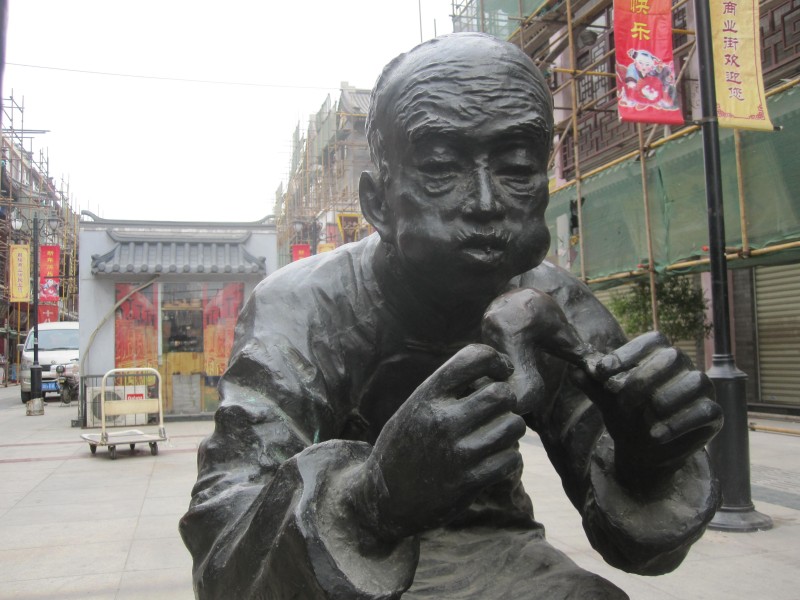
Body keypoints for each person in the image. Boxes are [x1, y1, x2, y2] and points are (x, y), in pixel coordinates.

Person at [180, 32, 722, 599]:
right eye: (441, 166)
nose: (486, 202)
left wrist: (647, 460)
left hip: (497, 556)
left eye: (516, 166)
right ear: (376, 201)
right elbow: (227, 553)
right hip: (341, 571)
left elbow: (638, 545)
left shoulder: (556, 309)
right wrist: (375, 498)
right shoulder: (300, 309)